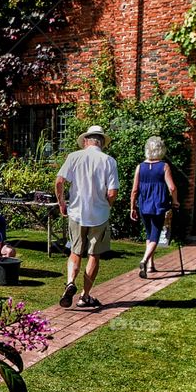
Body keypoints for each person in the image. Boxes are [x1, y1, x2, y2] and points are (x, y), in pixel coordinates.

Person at [55, 125, 120, 309]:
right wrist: (108, 204)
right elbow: (113, 191)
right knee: (94, 255)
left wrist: (62, 203)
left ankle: (69, 283)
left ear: (86, 141)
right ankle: (85, 296)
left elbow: (59, 181)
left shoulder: (74, 157)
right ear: (101, 143)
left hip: (76, 212)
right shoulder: (109, 161)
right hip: (99, 214)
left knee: (75, 252)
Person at [130, 136, 179, 278]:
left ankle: (151, 265)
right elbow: (172, 187)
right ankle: (145, 261)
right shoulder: (164, 166)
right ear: (161, 150)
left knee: (149, 233)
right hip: (158, 205)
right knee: (155, 236)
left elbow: (134, 190)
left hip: (143, 205)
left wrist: (133, 207)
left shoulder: (140, 167)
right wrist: (175, 201)